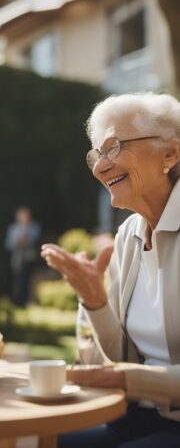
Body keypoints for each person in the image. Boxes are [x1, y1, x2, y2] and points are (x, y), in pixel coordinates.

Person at [41, 92, 180, 448]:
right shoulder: (127, 235)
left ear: (171, 153)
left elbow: (119, 372)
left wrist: (126, 378)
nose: (100, 167)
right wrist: (95, 301)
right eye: (97, 154)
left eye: (114, 147)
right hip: (131, 416)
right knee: (23, 439)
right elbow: (112, 360)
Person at [5, 206, 41, 305]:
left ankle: (25, 301)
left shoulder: (34, 227)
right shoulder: (13, 228)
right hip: (17, 258)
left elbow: (32, 241)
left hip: (29, 258)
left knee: (27, 280)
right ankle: (16, 301)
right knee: (16, 280)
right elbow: (8, 244)